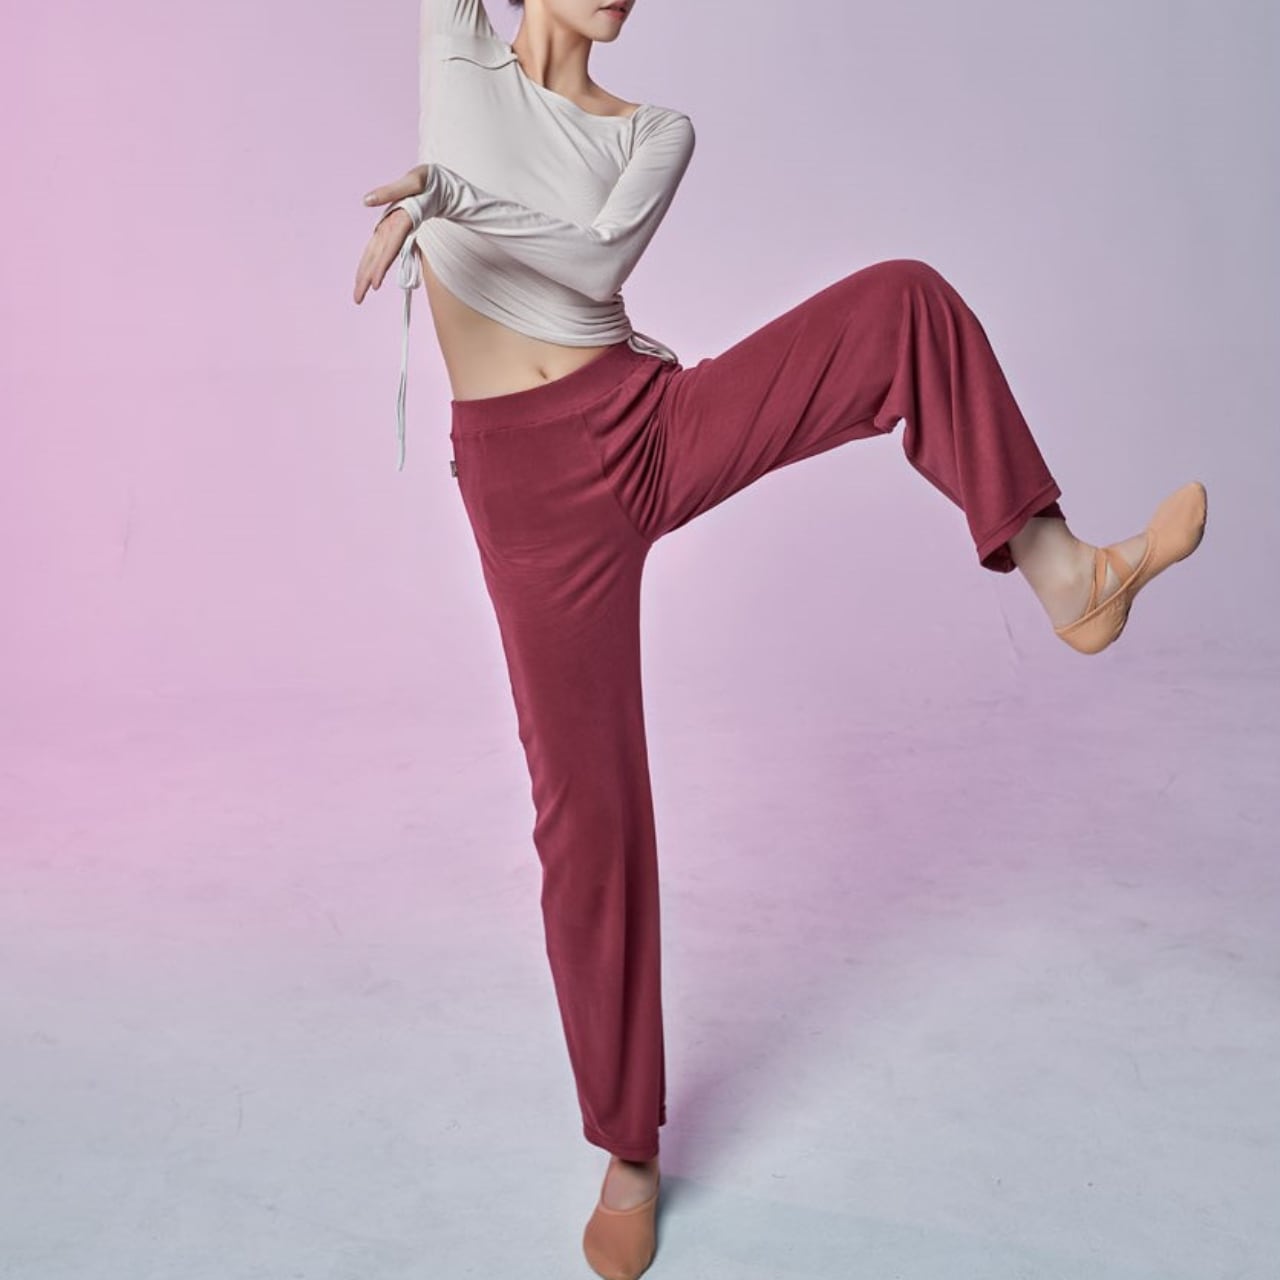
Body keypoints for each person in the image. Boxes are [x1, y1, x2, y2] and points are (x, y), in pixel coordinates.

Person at [352, 2, 1208, 1275]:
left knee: (902, 299)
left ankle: (1063, 569)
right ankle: (625, 1144)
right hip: (528, 497)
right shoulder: (453, 49)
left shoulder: (650, 130)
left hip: (640, 426)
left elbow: (589, 266)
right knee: (587, 815)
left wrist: (446, 196)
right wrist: (443, 192)